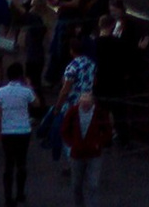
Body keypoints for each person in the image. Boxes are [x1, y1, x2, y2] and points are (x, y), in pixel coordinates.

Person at [57, 78, 113, 207]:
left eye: (88, 105)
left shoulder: (99, 113)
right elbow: (65, 130)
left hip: (93, 153)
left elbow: (107, 131)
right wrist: (72, 143)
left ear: (92, 103)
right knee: (76, 185)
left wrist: (99, 142)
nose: (85, 107)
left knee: (93, 185)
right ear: (80, 102)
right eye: (83, 104)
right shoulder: (73, 112)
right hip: (77, 153)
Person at [0, 65, 36, 207]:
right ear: (21, 76)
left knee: (8, 164)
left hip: (7, 132)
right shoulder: (26, 91)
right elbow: (37, 103)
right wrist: (30, 85)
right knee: (21, 163)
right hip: (23, 131)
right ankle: (20, 193)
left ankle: (8, 197)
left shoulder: (1, 92)